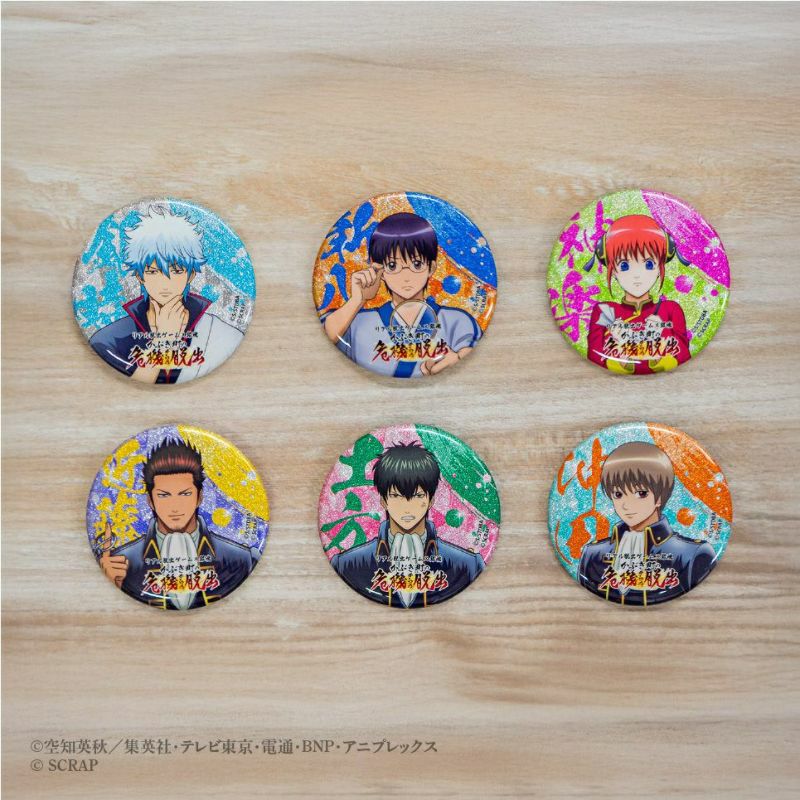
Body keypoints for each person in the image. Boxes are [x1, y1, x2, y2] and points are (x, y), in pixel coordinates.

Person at [97, 437, 258, 610]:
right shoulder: (123, 562)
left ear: (199, 497)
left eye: (185, 494)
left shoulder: (239, 559)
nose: (175, 507)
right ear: (150, 501)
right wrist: (115, 583)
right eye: (163, 495)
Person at [89, 205, 243, 384]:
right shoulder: (109, 339)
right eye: (153, 271)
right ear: (140, 276)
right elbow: (132, 381)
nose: (165, 283)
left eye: (176, 271)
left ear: (191, 275)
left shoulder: (220, 333)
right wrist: (162, 341)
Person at [322, 212, 481, 377]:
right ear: (379, 270)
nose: (406, 276)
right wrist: (357, 300)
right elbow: (327, 335)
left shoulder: (456, 321)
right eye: (392, 265)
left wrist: (457, 359)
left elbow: (473, 357)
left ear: (431, 268)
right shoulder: (357, 322)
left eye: (417, 264)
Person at [331, 442, 484, 607]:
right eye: (396, 496)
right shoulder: (346, 564)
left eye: (418, 496)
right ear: (383, 501)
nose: (407, 507)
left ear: (431, 500)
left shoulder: (468, 565)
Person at [578, 441, 716, 605]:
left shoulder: (692, 554)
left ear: (659, 497)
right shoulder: (592, 554)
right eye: (618, 494)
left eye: (641, 493)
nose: (626, 505)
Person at [586, 215, 690, 374]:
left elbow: (683, 355)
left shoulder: (671, 310)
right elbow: (594, 355)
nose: (637, 275)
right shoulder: (605, 311)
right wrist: (620, 347)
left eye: (649, 264)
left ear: (660, 267)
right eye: (624, 265)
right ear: (613, 271)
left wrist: (658, 338)